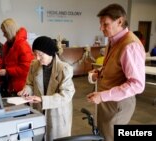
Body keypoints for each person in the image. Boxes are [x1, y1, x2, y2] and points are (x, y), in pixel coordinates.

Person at [86, 4, 145, 141]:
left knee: (110, 137)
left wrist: (103, 96)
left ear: (120, 21)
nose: (101, 28)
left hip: (118, 104)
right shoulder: (113, 40)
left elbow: (137, 84)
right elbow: (115, 66)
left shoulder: (130, 45)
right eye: (100, 24)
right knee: (104, 134)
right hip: (108, 101)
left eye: (105, 24)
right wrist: (99, 72)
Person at [17, 36, 75, 141]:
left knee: (56, 137)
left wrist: (42, 99)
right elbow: (30, 83)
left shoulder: (64, 68)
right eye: (35, 54)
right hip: (39, 110)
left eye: (40, 54)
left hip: (58, 114)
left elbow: (66, 95)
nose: (37, 58)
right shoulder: (34, 65)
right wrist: (26, 90)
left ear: (50, 53)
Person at [0, 18, 34, 97]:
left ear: (9, 31)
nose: (3, 35)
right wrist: (0, 64)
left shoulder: (22, 45)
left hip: (20, 88)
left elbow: (26, 68)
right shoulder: (8, 44)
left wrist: (7, 71)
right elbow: (7, 61)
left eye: (4, 32)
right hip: (11, 85)